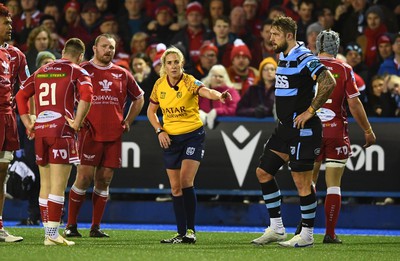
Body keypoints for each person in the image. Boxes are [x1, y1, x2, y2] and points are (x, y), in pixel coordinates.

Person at [250, 16, 336, 248]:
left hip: (303, 130)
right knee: (263, 172)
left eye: (275, 34)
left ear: (289, 35)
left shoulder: (304, 56)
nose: (271, 38)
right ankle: (277, 228)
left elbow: (328, 82)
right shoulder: (283, 55)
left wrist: (310, 111)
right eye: (270, 33)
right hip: (284, 129)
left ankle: (307, 235)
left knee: (302, 183)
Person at [295, 29, 377, 244]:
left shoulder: (307, 65)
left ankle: (305, 227)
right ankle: (330, 233)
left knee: (308, 182)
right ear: (337, 47)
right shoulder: (344, 68)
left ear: (317, 45)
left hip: (311, 129)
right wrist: (367, 130)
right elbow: (354, 103)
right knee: (333, 185)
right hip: (336, 131)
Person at [147, 46, 231, 244]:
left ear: (182, 64)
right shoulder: (159, 85)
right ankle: (181, 232)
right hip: (171, 139)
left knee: (186, 181)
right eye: (169, 63)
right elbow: (151, 112)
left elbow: (206, 91)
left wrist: (219, 96)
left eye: (177, 62)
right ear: (164, 66)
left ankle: (191, 230)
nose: (173, 66)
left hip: (193, 136)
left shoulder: (189, 81)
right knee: (175, 188)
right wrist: (160, 130)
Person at [63, 34, 144, 238]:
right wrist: (75, 119)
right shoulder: (82, 70)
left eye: (112, 47)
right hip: (88, 133)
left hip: (113, 134)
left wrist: (127, 121)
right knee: (84, 177)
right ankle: (71, 225)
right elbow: (65, 94)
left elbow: (140, 98)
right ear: (95, 49)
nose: (109, 50)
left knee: (105, 179)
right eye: (105, 46)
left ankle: (95, 227)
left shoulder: (122, 73)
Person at [15, 38, 93, 246]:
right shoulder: (77, 70)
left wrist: (27, 122)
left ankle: (48, 234)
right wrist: (77, 122)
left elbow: (20, 95)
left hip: (40, 130)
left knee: (46, 184)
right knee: (58, 185)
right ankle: (52, 234)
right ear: (80, 56)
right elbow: (87, 95)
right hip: (61, 131)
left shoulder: (42, 70)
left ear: (63, 51)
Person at [0, 3, 25, 242]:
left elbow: (26, 89)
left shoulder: (16, 55)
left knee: (2, 171)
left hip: (7, 118)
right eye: (6, 22)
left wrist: (29, 117)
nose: (11, 26)